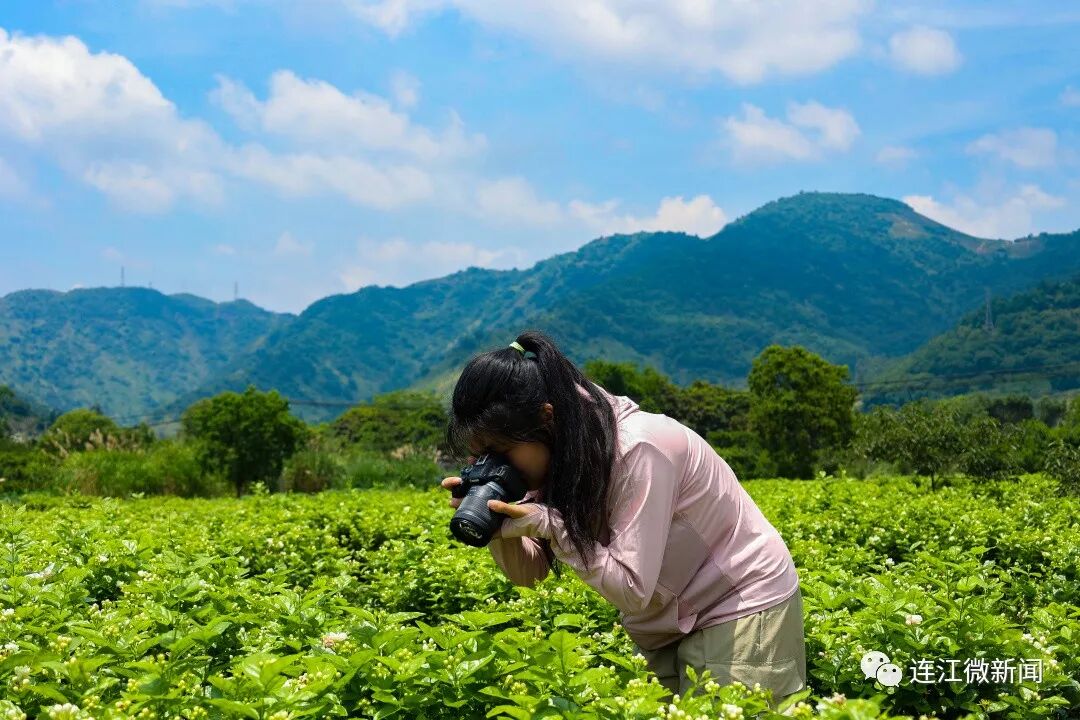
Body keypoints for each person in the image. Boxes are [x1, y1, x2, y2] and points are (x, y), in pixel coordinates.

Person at [440, 330, 806, 707]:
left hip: (737, 599)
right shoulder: (555, 448)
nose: (494, 465)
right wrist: (497, 523)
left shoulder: (637, 448)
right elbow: (530, 574)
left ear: (546, 417)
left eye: (500, 452)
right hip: (663, 617)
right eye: (481, 456)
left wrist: (553, 526)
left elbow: (632, 589)